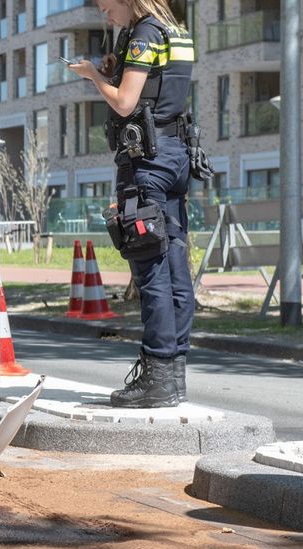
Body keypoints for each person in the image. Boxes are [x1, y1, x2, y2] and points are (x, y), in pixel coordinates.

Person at [69, 0, 196, 408]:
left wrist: (92, 75)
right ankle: (172, 376)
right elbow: (159, 89)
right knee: (176, 267)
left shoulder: (143, 34)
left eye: (107, 6)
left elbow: (125, 104)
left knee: (150, 268)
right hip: (176, 158)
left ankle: (157, 375)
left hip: (147, 162)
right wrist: (115, 70)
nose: (105, 14)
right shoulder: (175, 31)